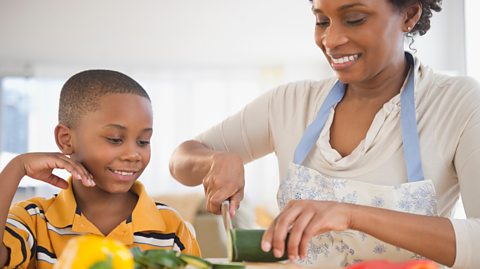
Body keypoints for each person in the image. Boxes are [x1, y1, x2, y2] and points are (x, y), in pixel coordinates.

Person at [169, 0, 480, 268]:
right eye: (322, 21)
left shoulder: (456, 103)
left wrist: (350, 214)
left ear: (409, 15)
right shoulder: (289, 103)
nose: (331, 39)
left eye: (355, 19)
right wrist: (212, 161)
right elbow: (182, 159)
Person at [0, 70, 201, 268]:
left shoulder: (171, 227)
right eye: (115, 139)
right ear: (66, 139)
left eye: (143, 141)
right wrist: (17, 167)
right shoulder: (35, 219)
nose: (133, 154)